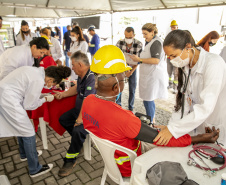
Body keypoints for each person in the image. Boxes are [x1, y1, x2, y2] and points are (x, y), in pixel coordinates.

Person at [82, 45, 219, 177]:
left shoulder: (87, 101)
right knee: (174, 150)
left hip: (113, 161)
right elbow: (162, 139)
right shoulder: (124, 118)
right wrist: (201, 138)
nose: (125, 80)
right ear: (116, 87)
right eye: (124, 78)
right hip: (131, 165)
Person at [153, 30, 226, 146]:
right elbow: (184, 102)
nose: (171, 60)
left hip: (213, 125)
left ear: (188, 47)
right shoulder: (187, 65)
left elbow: (205, 107)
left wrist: (173, 130)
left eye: (173, 55)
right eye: (168, 56)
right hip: (194, 126)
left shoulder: (213, 64)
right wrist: (171, 128)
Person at [0, 65, 71, 177]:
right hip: (9, 100)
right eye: (52, 84)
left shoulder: (35, 71)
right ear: (50, 79)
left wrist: (44, 95)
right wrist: (45, 99)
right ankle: (35, 169)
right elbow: (29, 105)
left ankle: (25, 154)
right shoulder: (38, 80)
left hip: (6, 95)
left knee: (21, 128)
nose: (51, 86)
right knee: (29, 132)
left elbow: (29, 93)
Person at [53, 51, 96, 177]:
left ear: (81, 65)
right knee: (63, 119)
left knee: (77, 131)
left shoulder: (91, 77)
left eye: (73, 65)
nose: (72, 68)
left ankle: (70, 160)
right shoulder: (82, 75)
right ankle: (79, 142)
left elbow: (88, 101)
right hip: (80, 111)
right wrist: (63, 94)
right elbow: (77, 89)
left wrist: (80, 119)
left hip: (90, 116)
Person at [130, 23, 168, 124]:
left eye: (145, 34)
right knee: (147, 98)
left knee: (148, 99)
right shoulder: (150, 41)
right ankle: (152, 118)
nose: (144, 36)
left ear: (152, 32)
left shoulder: (156, 43)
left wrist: (140, 60)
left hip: (153, 76)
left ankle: (151, 121)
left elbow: (156, 60)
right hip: (148, 75)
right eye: (143, 34)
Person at [116, 27, 143, 111]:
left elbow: (139, 61)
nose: (128, 39)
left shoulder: (139, 44)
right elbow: (117, 57)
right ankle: (118, 106)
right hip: (121, 69)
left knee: (132, 89)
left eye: (130, 37)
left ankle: (130, 108)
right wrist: (124, 70)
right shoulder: (119, 43)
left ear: (134, 35)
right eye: (126, 37)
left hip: (133, 69)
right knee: (119, 87)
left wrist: (130, 72)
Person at [167, 20, 179, 93]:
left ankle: (175, 88)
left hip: (176, 58)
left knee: (176, 73)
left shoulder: (179, 37)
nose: (172, 29)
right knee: (169, 72)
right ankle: (170, 84)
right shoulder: (169, 36)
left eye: (174, 27)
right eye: (172, 27)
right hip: (169, 58)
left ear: (177, 27)